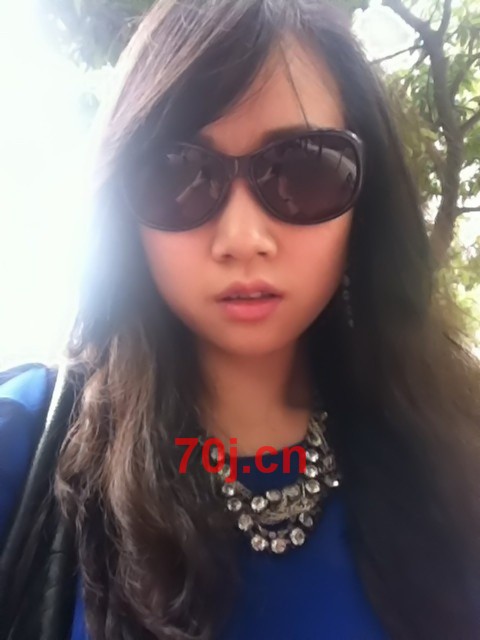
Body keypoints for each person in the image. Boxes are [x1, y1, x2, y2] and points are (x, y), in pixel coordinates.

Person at [1, 1, 479, 638]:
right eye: (177, 174)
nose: (243, 238)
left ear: (366, 201)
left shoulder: (457, 441)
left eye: (305, 169)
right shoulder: (25, 441)